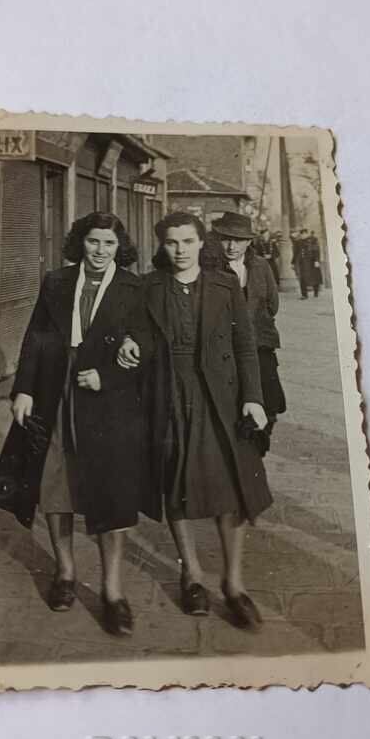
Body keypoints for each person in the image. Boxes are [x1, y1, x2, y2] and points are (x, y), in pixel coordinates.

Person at [0, 213, 141, 636]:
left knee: (110, 491)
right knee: (54, 481)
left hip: (105, 396)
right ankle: (66, 573)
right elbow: (35, 337)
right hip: (56, 389)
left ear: (119, 247)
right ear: (80, 242)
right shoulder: (56, 282)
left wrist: (115, 366)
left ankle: (113, 593)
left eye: (109, 243)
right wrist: (24, 389)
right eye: (93, 241)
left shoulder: (133, 287)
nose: (100, 251)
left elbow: (145, 342)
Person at [118, 211, 272, 630]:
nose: (180, 250)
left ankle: (233, 584)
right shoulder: (149, 287)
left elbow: (245, 345)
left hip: (220, 398)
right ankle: (192, 576)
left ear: (202, 243)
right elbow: (137, 332)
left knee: (232, 488)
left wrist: (253, 398)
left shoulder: (225, 285)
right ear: (162, 245)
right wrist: (129, 342)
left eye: (188, 241)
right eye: (172, 242)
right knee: (176, 482)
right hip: (168, 395)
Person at [210, 212, 287, 453]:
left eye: (239, 240)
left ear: (249, 241)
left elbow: (272, 304)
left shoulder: (261, 266)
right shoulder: (210, 267)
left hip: (260, 343)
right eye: (226, 239)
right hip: (224, 346)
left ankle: (258, 448)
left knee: (268, 400)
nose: (231, 246)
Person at [292, 226, 322, 298]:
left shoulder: (313, 240)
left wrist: (317, 261)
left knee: (314, 277)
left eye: (304, 234)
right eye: (301, 234)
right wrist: (293, 262)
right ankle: (304, 295)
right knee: (302, 278)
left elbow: (316, 251)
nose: (303, 235)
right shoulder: (298, 242)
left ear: (307, 233)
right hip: (302, 263)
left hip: (312, 262)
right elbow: (296, 253)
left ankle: (316, 292)